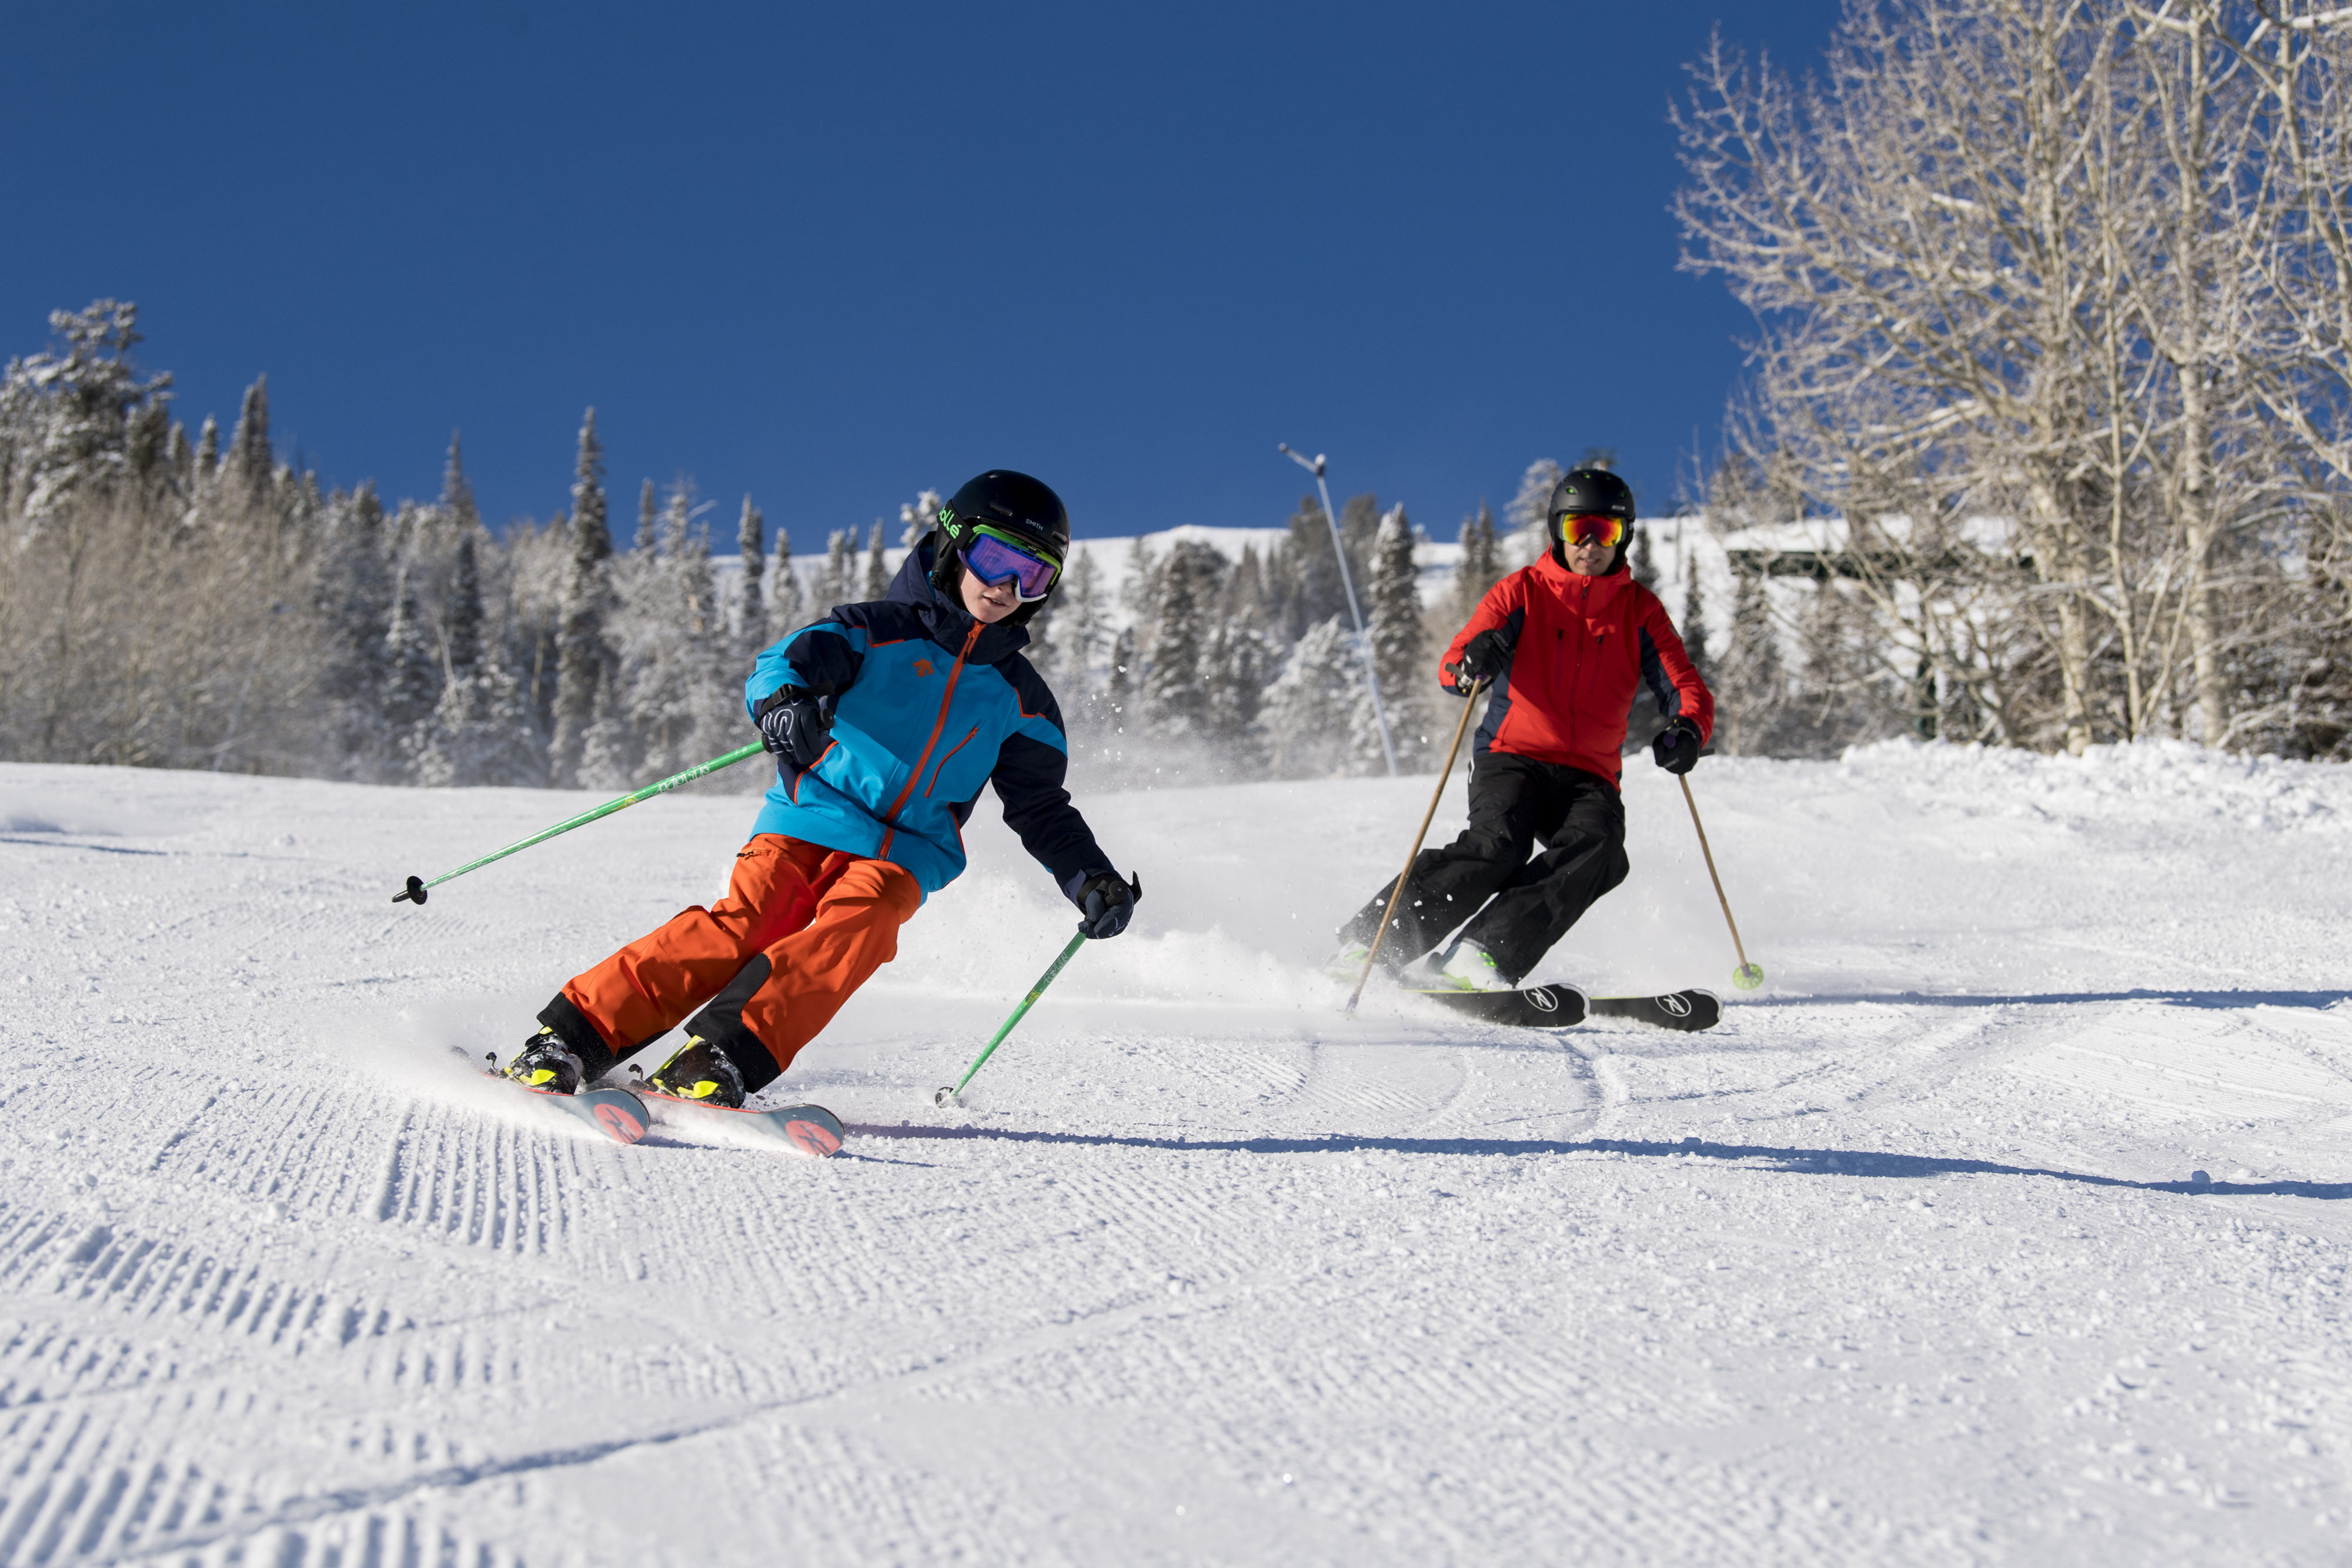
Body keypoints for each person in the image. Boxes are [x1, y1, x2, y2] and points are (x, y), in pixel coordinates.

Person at [503, 470, 1141, 1108]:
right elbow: (780, 666)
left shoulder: (1024, 702)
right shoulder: (876, 630)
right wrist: (784, 704)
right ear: (954, 545)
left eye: (1033, 576)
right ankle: (571, 1038)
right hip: (811, 815)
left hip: (908, 851)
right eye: (996, 558)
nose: (1007, 588)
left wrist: (1089, 877)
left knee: (858, 929)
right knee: (753, 921)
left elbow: (1041, 807)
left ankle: (721, 1056)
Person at [1330, 467, 1713, 992]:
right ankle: (1375, 944)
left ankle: (1482, 952)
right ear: (1559, 530)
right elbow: (1453, 666)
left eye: (1608, 531)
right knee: (1498, 846)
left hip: (1589, 773)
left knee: (1600, 850)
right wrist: (1473, 662)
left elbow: (1683, 685)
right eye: (1580, 529)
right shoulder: (1523, 593)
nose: (1592, 545)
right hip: (1513, 752)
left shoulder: (1639, 612)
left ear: (1624, 536)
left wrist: (1688, 728)